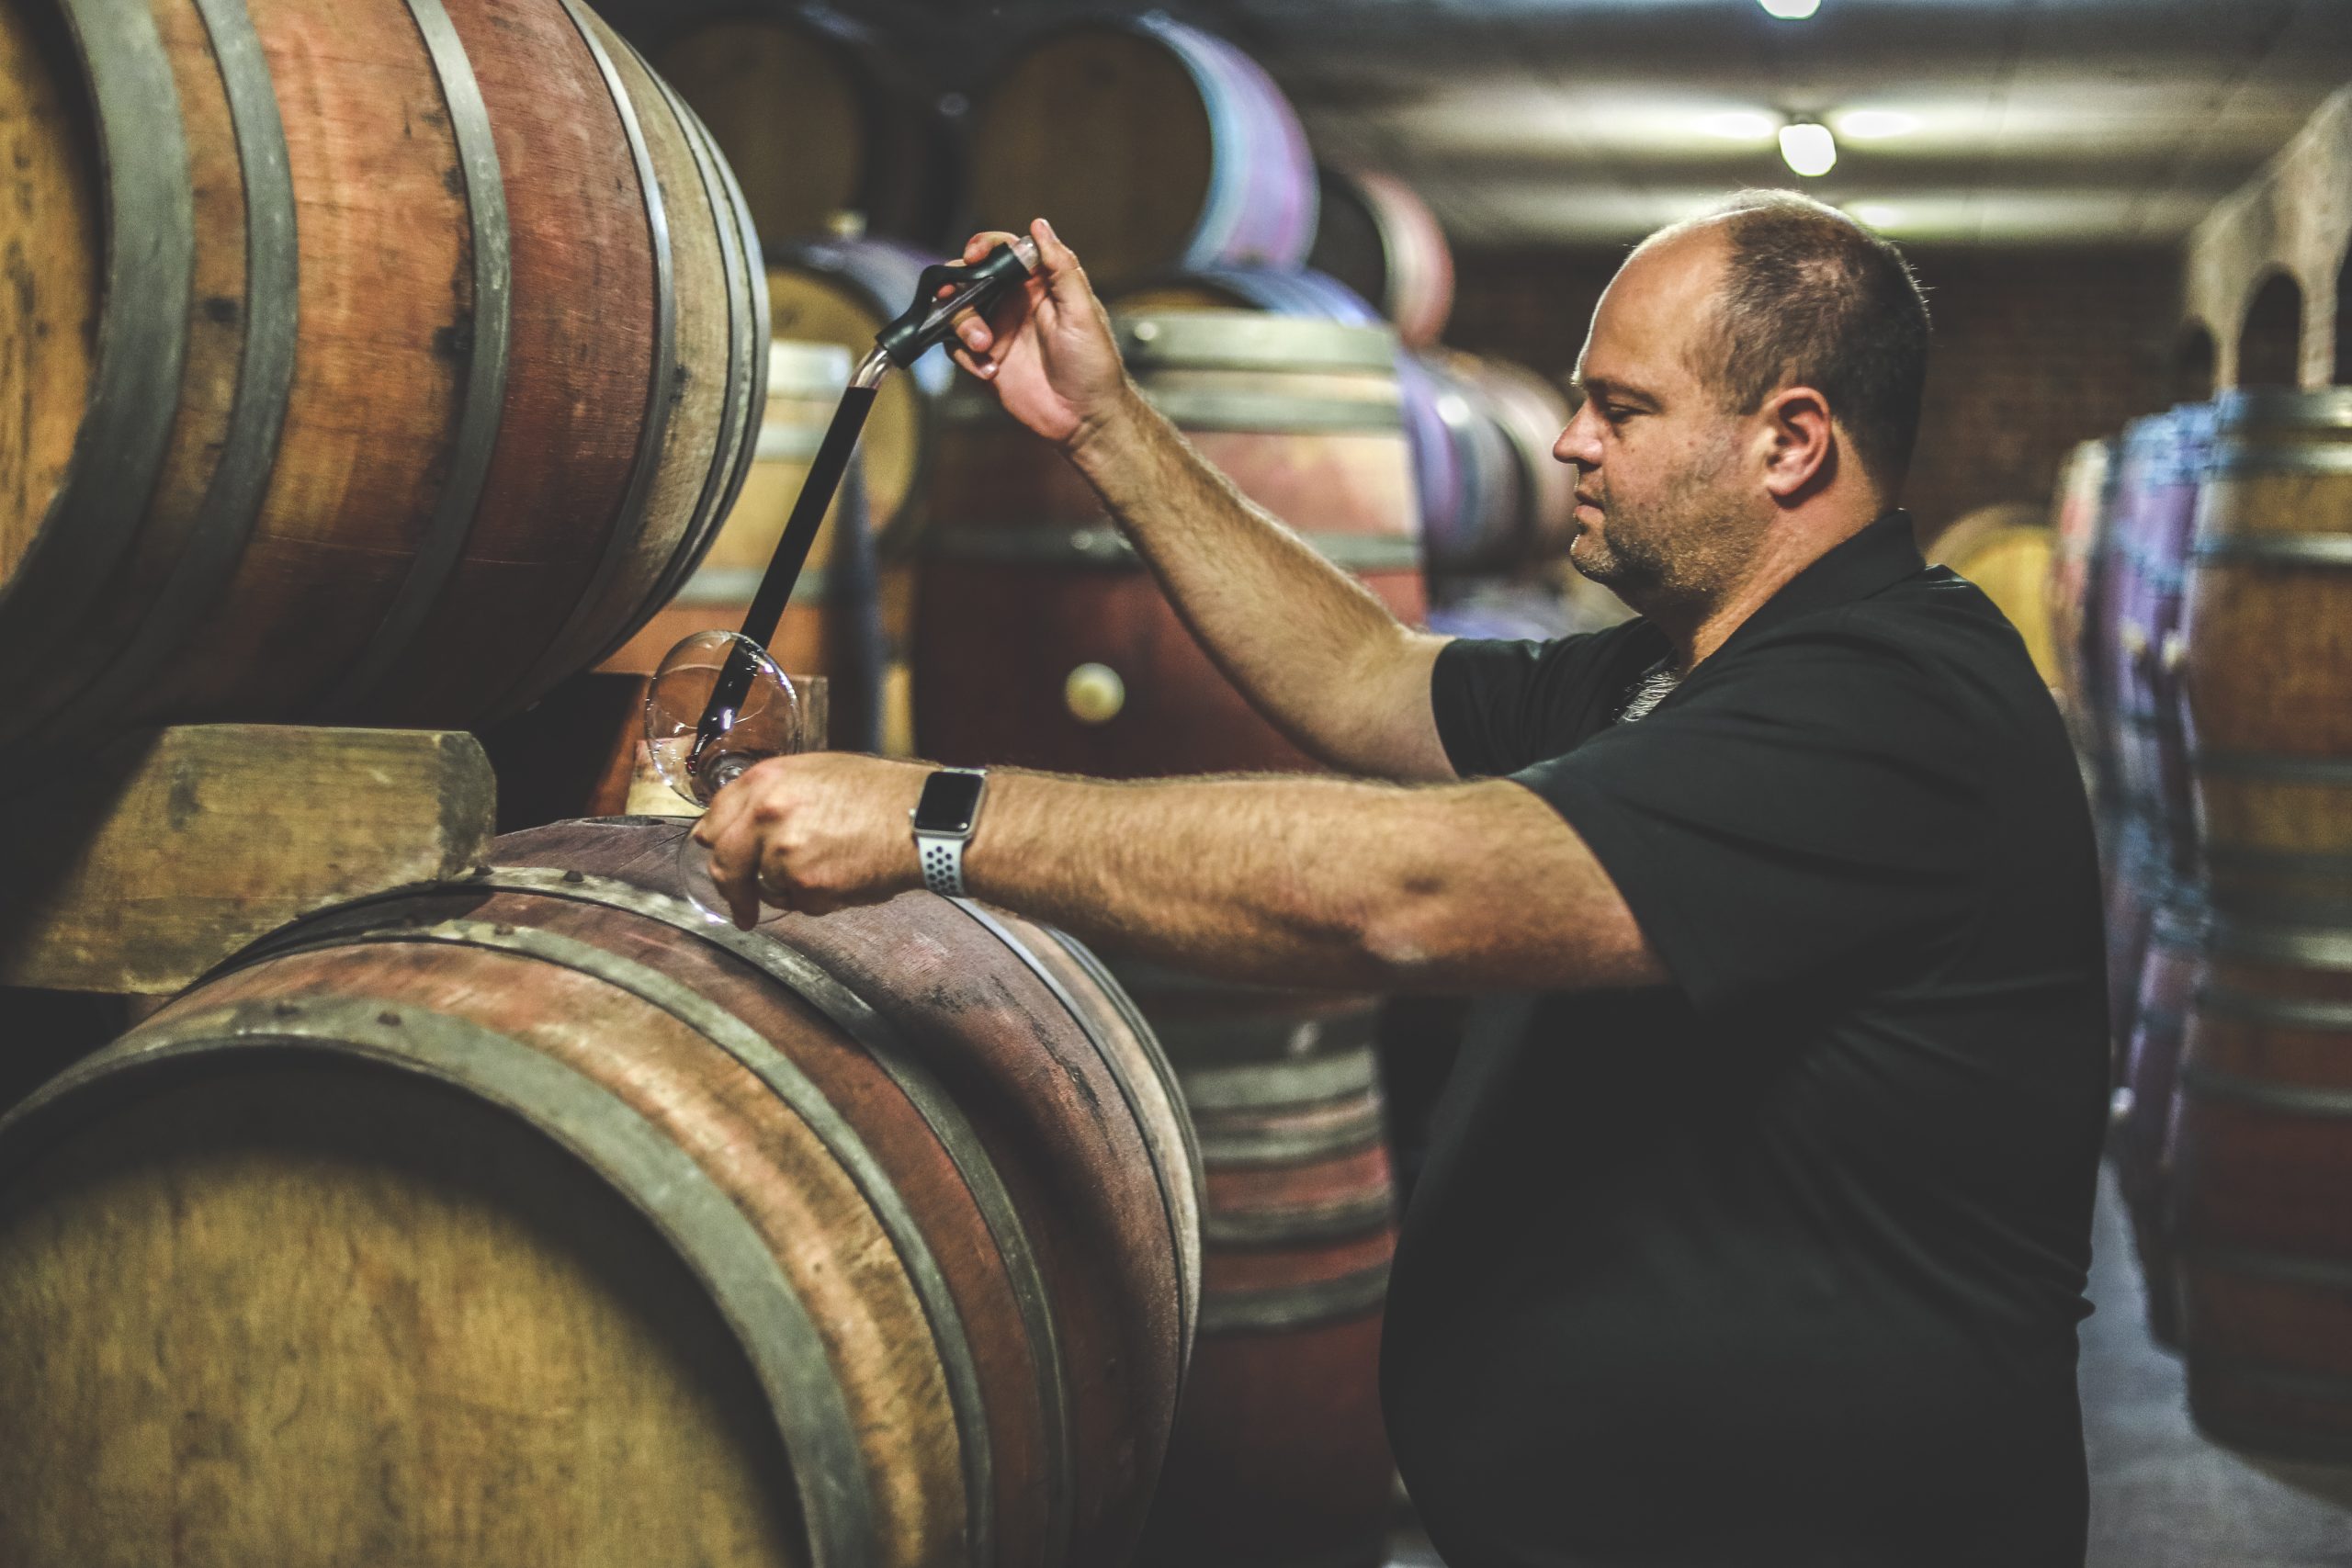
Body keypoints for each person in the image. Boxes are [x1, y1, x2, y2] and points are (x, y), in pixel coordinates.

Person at [694, 191, 2110, 1567]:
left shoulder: (1894, 709)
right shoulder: (1673, 672)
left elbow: (1415, 893)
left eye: (1620, 410)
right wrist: (1107, 430)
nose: (1566, 443)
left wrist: (945, 819)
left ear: (1790, 443)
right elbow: (1366, 676)